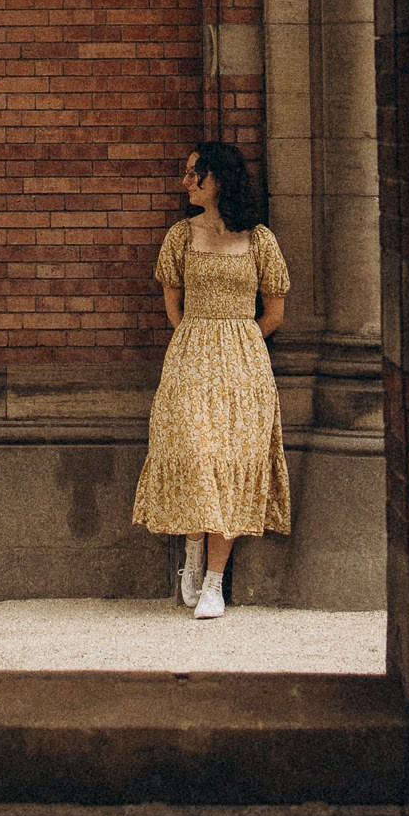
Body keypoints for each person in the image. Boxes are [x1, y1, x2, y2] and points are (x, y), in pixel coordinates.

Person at [130, 140, 291, 618]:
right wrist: (200, 345)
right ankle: (193, 553)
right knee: (195, 453)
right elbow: (174, 308)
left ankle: (215, 583)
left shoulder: (259, 238)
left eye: (192, 173)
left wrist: (239, 343)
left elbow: (276, 312)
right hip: (190, 359)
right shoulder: (180, 236)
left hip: (244, 365)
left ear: (217, 178)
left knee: (231, 465)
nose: (185, 182)